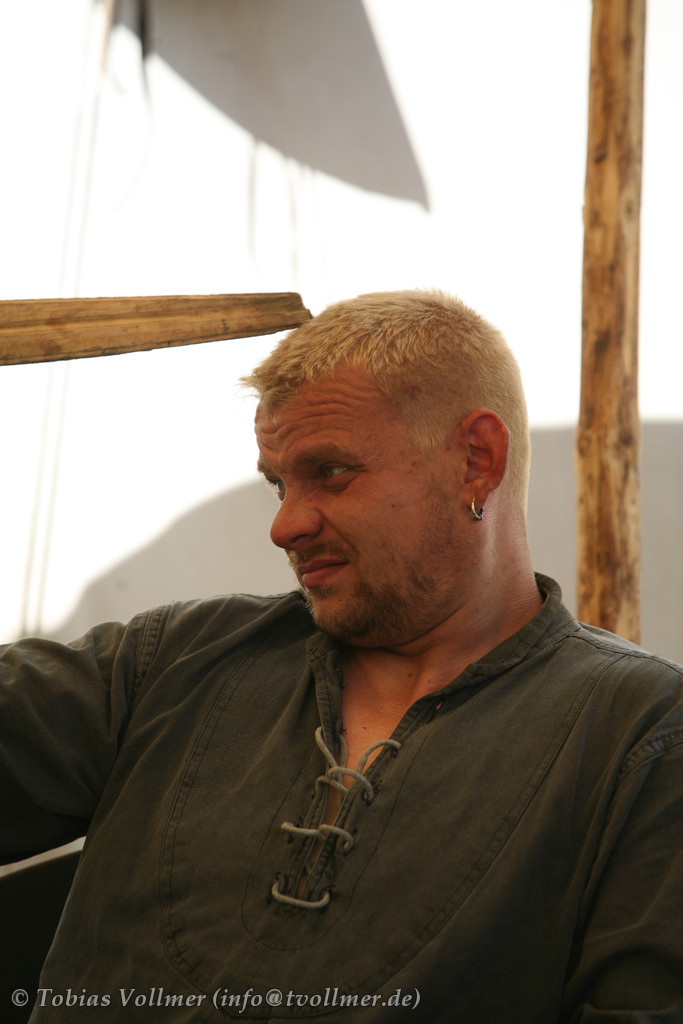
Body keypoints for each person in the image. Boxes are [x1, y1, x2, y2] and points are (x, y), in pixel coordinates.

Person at [1, 289, 683, 1023]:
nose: (284, 525)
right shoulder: (167, 662)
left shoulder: (641, 737)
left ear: (475, 460)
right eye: (278, 483)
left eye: (330, 473)